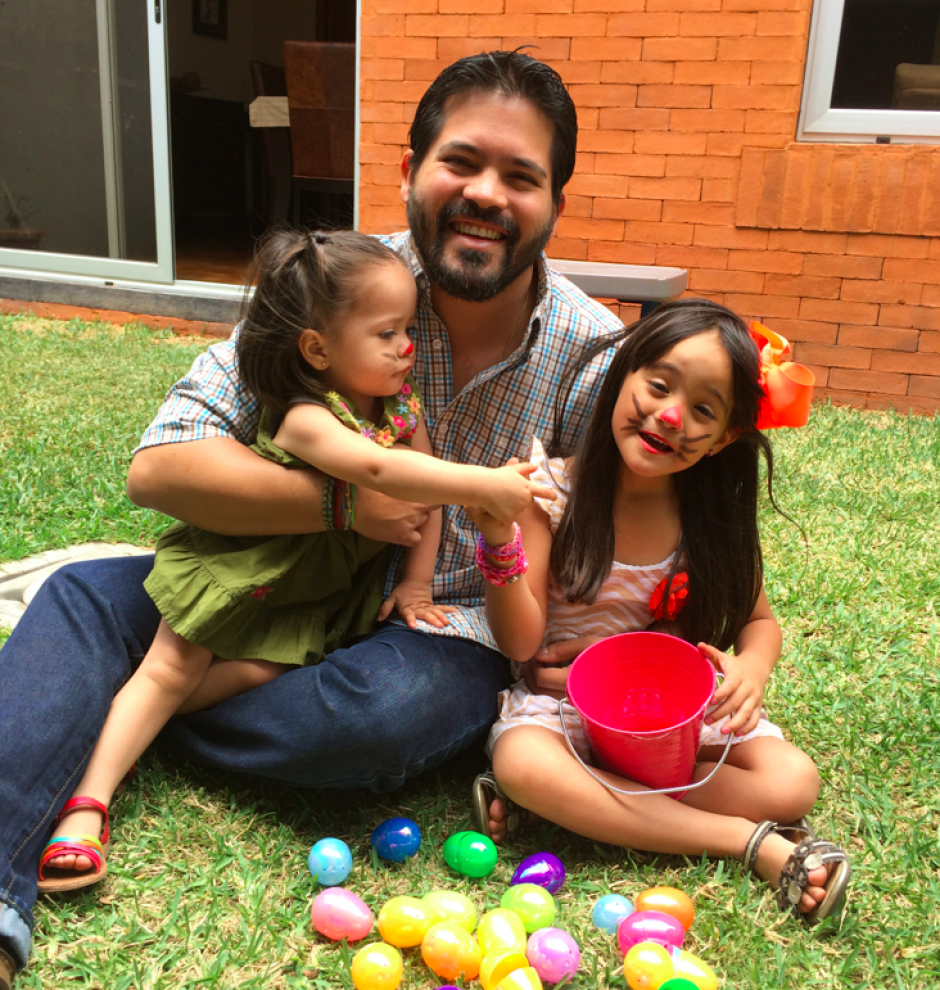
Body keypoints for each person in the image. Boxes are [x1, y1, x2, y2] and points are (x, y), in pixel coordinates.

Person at [0, 50, 624, 983]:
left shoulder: (593, 352)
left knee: (380, 717)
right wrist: (343, 504)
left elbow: (632, 524)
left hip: (438, 626)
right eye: (461, 161)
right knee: (87, 599)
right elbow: (160, 466)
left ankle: (127, 702)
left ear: (555, 204)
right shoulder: (331, 284)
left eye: (521, 176)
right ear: (409, 170)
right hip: (270, 573)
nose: (486, 194)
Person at [36, 229, 552, 892]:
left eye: (408, 331)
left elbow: (422, 495)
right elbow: (378, 470)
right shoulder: (308, 416)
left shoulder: (403, 409)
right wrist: (483, 484)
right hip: (246, 568)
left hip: (315, 595)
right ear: (317, 348)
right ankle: (87, 806)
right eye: (387, 333)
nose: (407, 347)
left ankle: (120, 719)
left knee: (256, 673)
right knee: (170, 670)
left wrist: (417, 583)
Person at [467, 299, 851, 925]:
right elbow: (519, 642)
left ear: (725, 437)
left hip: (672, 722)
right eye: (659, 385)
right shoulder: (549, 492)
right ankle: (746, 842)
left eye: (703, 410)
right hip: (564, 715)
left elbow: (759, 623)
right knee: (523, 763)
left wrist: (751, 671)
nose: (670, 416)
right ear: (623, 374)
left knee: (792, 782)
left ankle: (585, 803)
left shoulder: (709, 518)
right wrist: (499, 541)